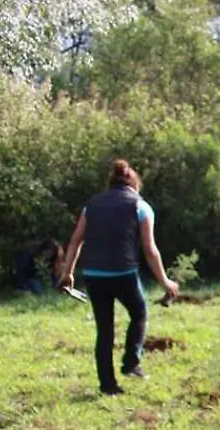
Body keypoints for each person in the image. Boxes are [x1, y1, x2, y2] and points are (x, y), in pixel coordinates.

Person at [59, 159, 179, 396]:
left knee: (105, 330)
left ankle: (108, 386)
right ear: (134, 184)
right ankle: (131, 363)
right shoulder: (140, 206)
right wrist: (165, 281)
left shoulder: (91, 206)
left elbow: (75, 241)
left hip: (93, 274)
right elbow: (149, 249)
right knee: (140, 313)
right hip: (123, 273)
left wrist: (68, 273)